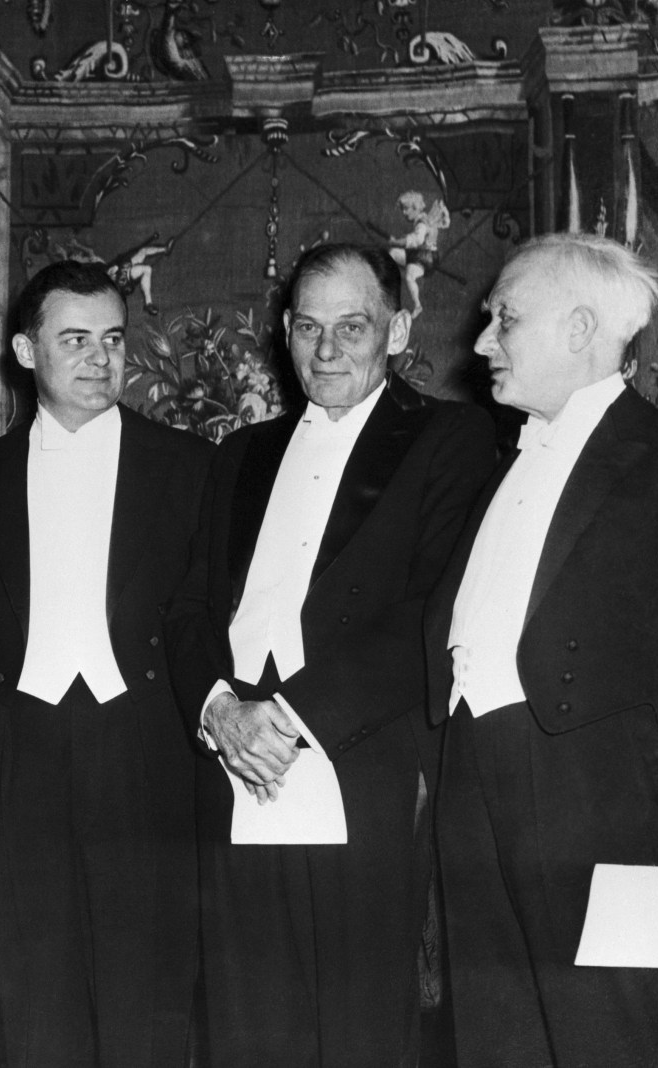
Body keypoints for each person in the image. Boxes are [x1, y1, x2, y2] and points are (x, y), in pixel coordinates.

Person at [164, 243, 495, 1067]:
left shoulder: (450, 436)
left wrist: (286, 718)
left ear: (397, 331)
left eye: (352, 327)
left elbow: (434, 610)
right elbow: (191, 608)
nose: (326, 350)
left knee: (359, 1031)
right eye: (309, 328)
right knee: (243, 1022)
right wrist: (219, 712)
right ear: (285, 331)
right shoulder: (241, 453)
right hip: (232, 764)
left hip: (359, 761)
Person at [0, 260, 210, 1067]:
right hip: (16, 760)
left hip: (148, 756)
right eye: (74, 339)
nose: (98, 358)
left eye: (112, 339)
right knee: (37, 1012)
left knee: (148, 1009)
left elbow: (209, 623)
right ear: (24, 351)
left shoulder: (189, 469)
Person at [425, 232, 658, 1067]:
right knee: (497, 1039)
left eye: (505, 319)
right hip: (474, 774)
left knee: (611, 1036)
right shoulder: (508, 458)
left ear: (579, 329)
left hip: (604, 802)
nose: (481, 343)